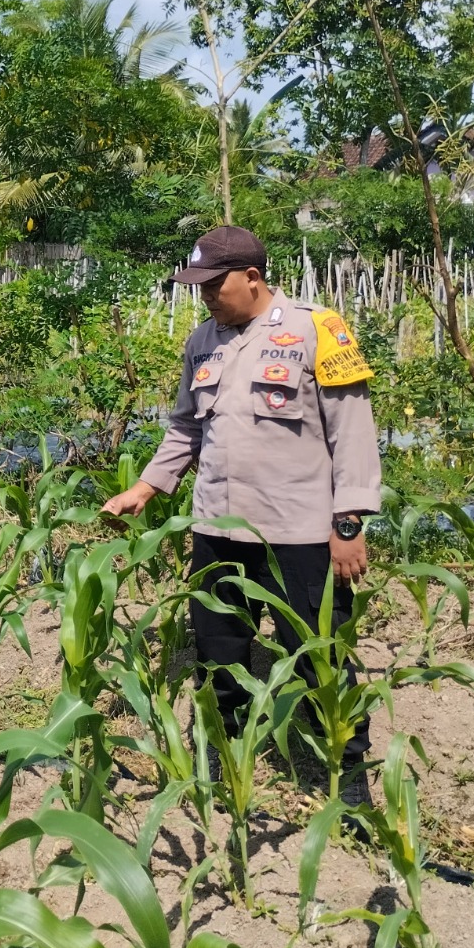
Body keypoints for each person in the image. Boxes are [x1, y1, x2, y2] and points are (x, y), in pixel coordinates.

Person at [102, 225, 382, 807]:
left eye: (213, 284)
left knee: (321, 656)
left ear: (252, 277)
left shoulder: (316, 330)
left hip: (300, 532)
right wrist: (148, 487)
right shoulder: (203, 340)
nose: (204, 295)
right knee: (219, 650)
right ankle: (225, 761)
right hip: (218, 527)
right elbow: (185, 426)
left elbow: (353, 433)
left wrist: (348, 524)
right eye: (197, 285)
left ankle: (347, 782)